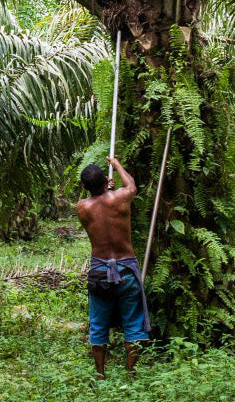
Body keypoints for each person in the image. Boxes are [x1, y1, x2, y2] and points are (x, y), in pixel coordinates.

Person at [75, 156, 149, 379]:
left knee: (98, 325)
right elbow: (132, 186)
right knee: (133, 324)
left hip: (99, 272)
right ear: (106, 180)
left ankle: (100, 374)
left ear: (84, 186)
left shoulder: (82, 208)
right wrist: (116, 165)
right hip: (126, 268)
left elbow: (96, 202)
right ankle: (131, 373)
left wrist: (104, 190)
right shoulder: (121, 199)